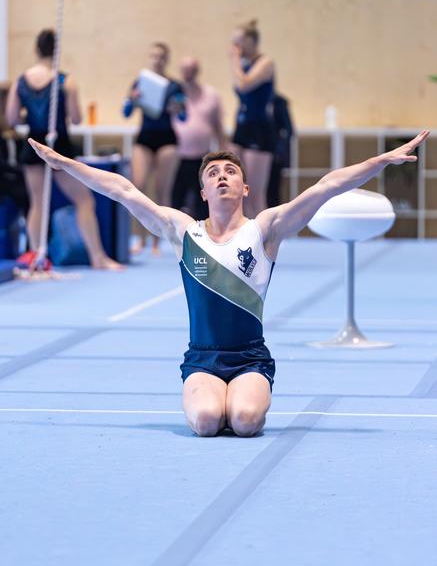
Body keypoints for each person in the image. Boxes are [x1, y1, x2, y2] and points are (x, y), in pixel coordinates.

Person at [27, 130, 429, 436]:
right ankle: (209, 395)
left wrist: (381, 160)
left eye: (231, 172)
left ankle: (239, 394)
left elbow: (326, 187)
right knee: (205, 421)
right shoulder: (183, 232)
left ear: (245, 188)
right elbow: (122, 190)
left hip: (250, 358)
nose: (222, 177)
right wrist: (66, 163)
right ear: (202, 192)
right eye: (213, 174)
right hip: (202, 358)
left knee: (245, 420)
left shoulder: (266, 229)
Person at [5, 29, 121, 270]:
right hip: (59, 147)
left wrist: (32, 113)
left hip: (34, 146)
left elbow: (12, 118)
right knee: (84, 201)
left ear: (37, 50)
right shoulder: (64, 80)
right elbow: (77, 118)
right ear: (56, 50)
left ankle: (38, 256)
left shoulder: (21, 81)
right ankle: (97, 257)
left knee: (37, 203)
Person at [122, 42, 184, 253]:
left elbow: (184, 116)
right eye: (154, 56)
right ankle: (141, 239)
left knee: (161, 190)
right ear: (150, 58)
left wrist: (177, 108)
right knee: (138, 187)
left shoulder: (175, 86)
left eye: (161, 56)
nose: (157, 60)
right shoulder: (141, 82)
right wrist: (132, 100)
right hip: (145, 137)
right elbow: (126, 112)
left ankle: (158, 241)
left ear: (166, 59)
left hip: (167, 138)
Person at [230, 19, 276, 218]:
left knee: (255, 193)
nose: (235, 47)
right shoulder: (244, 64)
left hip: (260, 129)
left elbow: (244, 85)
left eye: (238, 42)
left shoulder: (265, 63)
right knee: (240, 193)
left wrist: (234, 60)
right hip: (241, 128)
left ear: (250, 41)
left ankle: (264, 243)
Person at [171, 56, 226, 220]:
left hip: (202, 157)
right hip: (177, 158)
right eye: (185, 69)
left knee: (204, 202)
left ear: (197, 70)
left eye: (191, 69)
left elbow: (218, 127)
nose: (188, 73)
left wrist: (224, 153)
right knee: (175, 201)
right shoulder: (173, 96)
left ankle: (204, 237)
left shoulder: (211, 95)